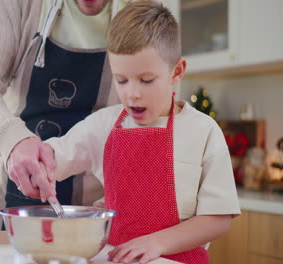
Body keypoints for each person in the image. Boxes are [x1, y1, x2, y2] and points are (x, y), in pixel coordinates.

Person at [29, 1, 241, 263]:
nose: (132, 93)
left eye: (146, 80)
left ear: (177, 71)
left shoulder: (204, 132)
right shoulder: (103, 125)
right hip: (117, 258)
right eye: (122, 80)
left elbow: (218, 219)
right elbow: (52, 157)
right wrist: (36, 164)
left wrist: (158, 243)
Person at [0, 0, 136, 230]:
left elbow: (152, 108)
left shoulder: (140, 8)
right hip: (9, 201)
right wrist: (13, 141)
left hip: (97, 215)